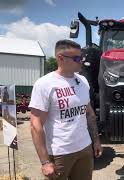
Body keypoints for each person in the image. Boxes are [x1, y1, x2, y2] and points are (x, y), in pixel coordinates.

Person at [29, 39, 102, 180]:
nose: (82, 61)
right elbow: (35, 125)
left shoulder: (82, 81)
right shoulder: (45, 84)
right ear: (61, 58)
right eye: (77, 58)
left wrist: (96, 141)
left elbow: (89, 113)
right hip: (60, 153)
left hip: (85, 149)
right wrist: (45, 162)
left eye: (82, 57)